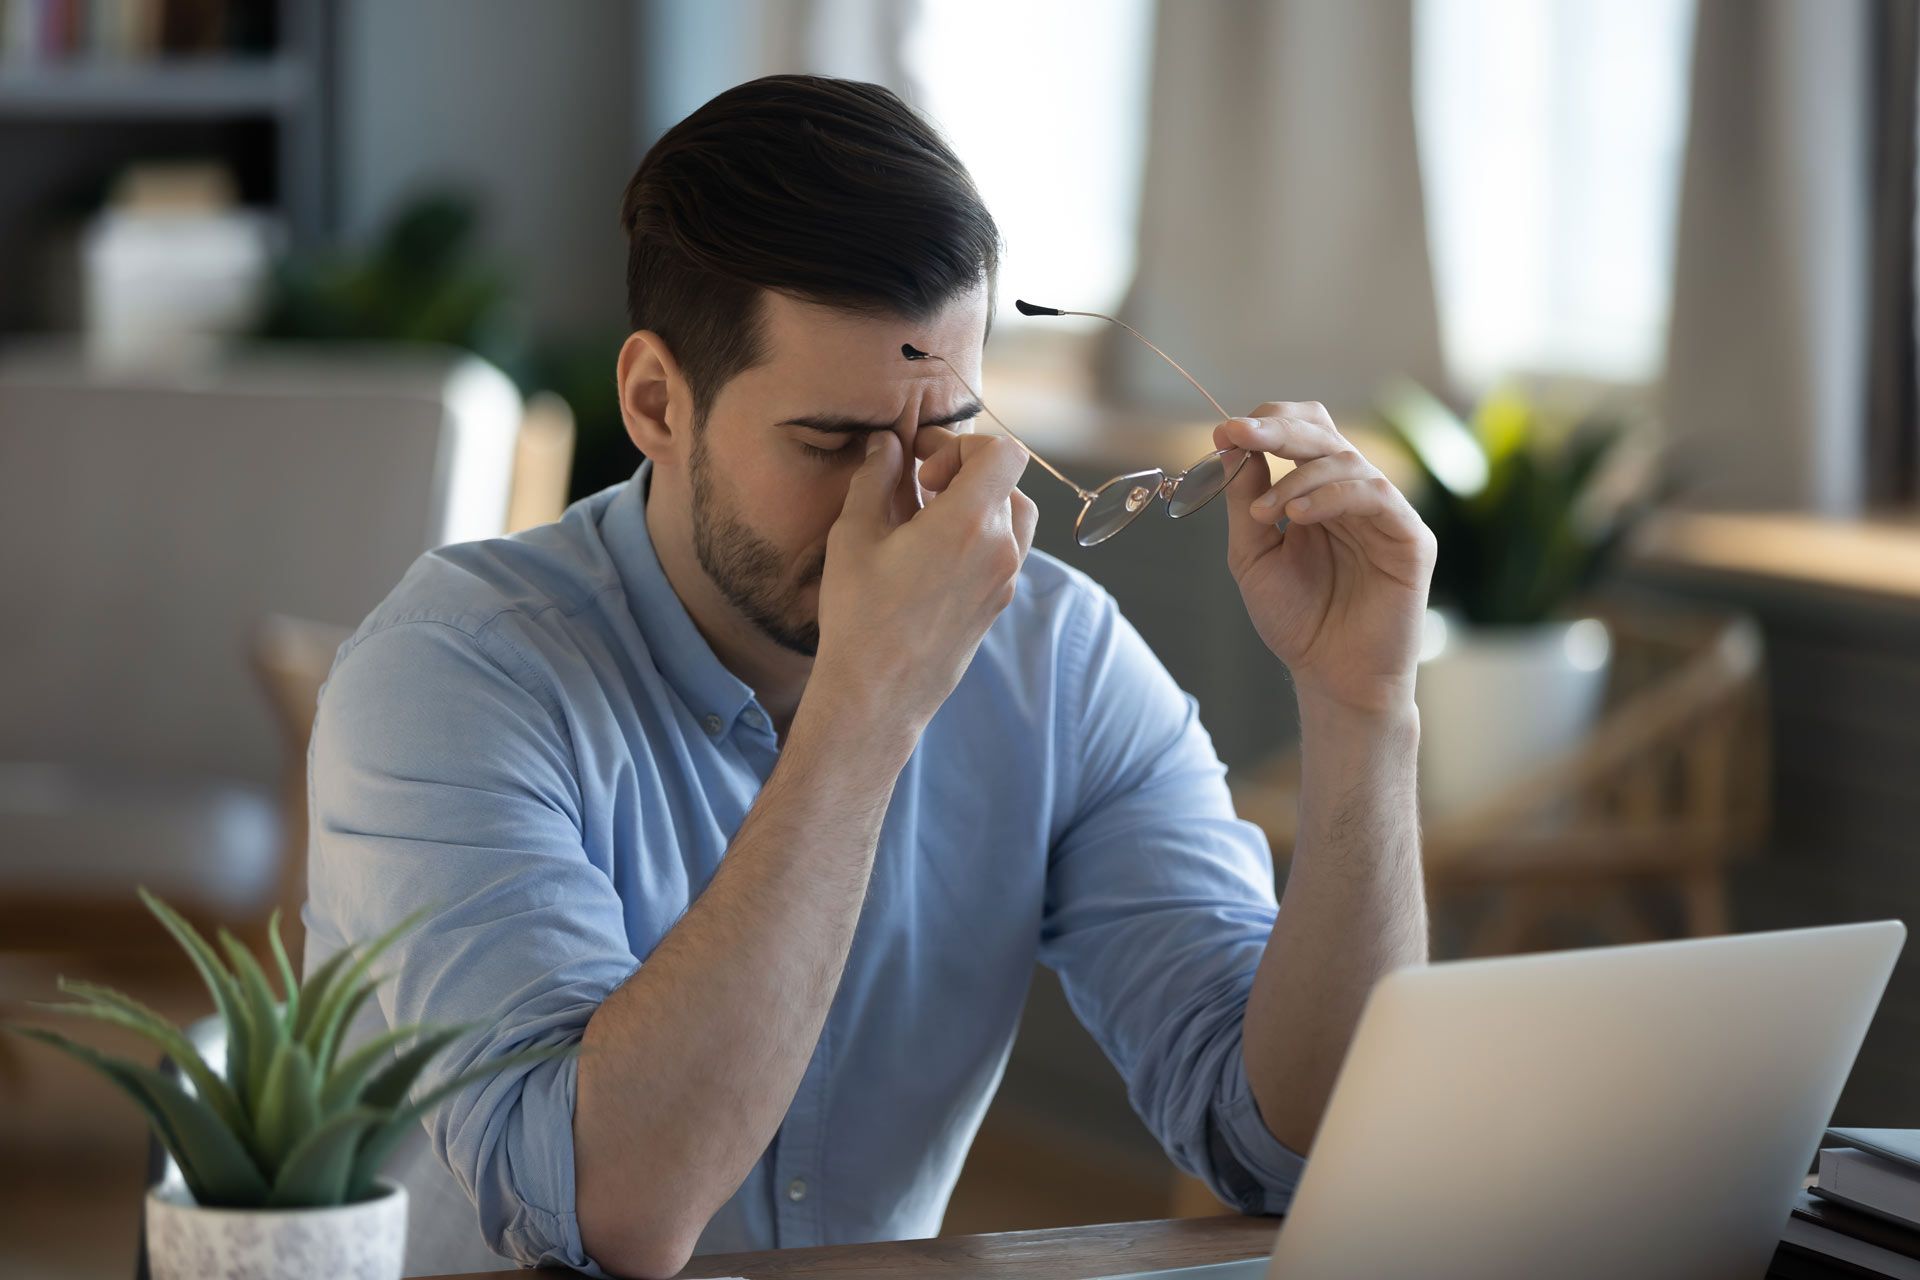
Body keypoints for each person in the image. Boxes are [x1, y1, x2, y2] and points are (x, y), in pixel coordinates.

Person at [304, 73, 1435, 1280]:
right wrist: (867, 700)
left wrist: (1362, 708)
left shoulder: (1056, 656)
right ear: (654, 402)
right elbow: (612, 1213)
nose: (897, 503)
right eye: (832, 441)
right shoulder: (449, 674)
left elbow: (1296, 1149)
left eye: (942, 428)